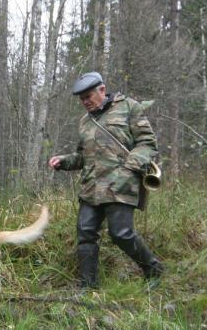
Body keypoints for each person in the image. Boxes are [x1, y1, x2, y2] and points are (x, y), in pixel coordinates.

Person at [49, 72, 164, 289]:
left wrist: (128, 168)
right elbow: (83, 157)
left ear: (102, 90)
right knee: (85, 235)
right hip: (91, 187)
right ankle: (87, 286)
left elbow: (148, 144)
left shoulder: (129, 107)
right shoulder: (85, 121)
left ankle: (153, 268)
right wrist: (64, 161)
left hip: (121, 185)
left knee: (121, 234)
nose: (85, 102)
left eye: (89, 96)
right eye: (82, 99)